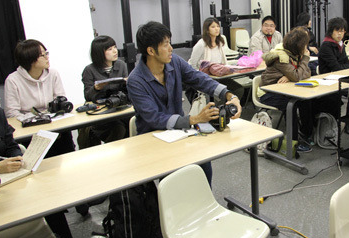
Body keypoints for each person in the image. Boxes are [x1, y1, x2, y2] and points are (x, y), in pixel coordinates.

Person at [126, 21, 242, 184]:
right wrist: (193, 119)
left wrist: (229, 95)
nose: (171, 48)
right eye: (165, 44)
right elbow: (154, 118)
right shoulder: (135, 81)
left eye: (169, 43)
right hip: (153, 138)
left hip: (179, 132)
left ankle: (202, 204)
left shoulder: (174, 62)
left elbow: (199, 79)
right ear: (151, 51)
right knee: (174, 177)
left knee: (203, 161)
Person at [0, 95, 81, 238]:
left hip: (9, 179)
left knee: (47, 203)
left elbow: (10, 143)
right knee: (22, 213)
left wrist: (17, 157)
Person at [4, 39, 75, 156]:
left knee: (66, 146)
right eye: (43, 55)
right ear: (30, 60)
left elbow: (61, 99)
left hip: (54, 122)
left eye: (47, 53)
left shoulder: (53, 73)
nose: (47, 57)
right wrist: (36, 119)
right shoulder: (13, 80)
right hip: (30, 128)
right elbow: (12, 113)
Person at [257, 27, 314, 152]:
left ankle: (306, 134)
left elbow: (306, 73)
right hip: (268, 93)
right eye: (304, 45)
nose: (306, 48)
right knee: (291, 106)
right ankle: (293, 142)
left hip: (285, 89)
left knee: (306, 100)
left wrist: (290, 76)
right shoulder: (280, 56)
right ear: (298, 46)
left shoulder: (293, 53)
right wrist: (301, 65)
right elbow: (298, 75)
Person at [80, 35, 128, 144]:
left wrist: (128, 83)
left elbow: (125, 91)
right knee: (118, 129)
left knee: (132, 123)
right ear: (99, 53)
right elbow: (87, 96)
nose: (115, 51)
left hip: (119, 108)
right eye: (110, 49)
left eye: (115, 47)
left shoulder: (121, 65)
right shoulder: (89, 70)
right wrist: (96, 88)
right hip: (101, 113)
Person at [318, 17, 349, 136]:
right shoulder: (326, 46)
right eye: (337, 31)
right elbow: (336, 68)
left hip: (339, 78)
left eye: (342, 31)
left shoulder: (340, 45)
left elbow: (346, 63)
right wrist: (345, 67)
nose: (340, 34)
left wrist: (344, 67)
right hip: (328, 81)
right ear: (331, 31)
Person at [188, 17, 244, 98]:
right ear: (207, 30)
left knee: (238, 89)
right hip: (206, 78)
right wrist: (200, 77)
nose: (216, 29)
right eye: (213, 27)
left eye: (218, 26)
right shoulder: (201, 44)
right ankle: (220, 109)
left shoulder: (219, 43)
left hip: (219, 75)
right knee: (222, 93)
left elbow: (223, 62)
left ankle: (228, 109)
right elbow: (192, 64)